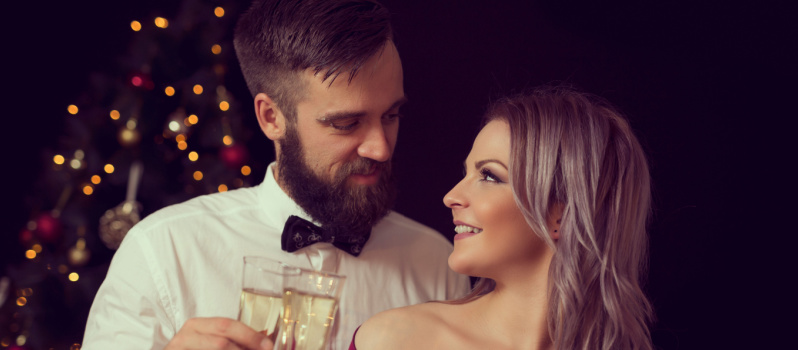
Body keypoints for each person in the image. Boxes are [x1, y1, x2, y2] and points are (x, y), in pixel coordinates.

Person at [82, 0, 469, 349]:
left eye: (391, 116)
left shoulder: (438, 265)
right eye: (347, 123)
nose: (381, 148)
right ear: (271, 117)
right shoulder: (163, 250)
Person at [354, 87, 654, 350]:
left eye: (489, 175)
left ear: (562, 214)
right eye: (467, 172)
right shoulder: (398, 340)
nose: (451, 196)